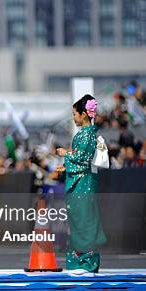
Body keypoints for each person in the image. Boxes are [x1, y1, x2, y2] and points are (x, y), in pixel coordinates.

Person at [56, 95, 107, 274]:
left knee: (84, 220)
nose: (74, 117)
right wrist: (66, 166)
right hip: (82, 181)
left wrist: (65, 153)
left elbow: (82, 159)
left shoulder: (86, 135)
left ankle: (86, 262)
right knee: (80, 220)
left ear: (84, 114)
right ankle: (81, 261)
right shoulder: (87, 134)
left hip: (82, 183)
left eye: (75, 114)